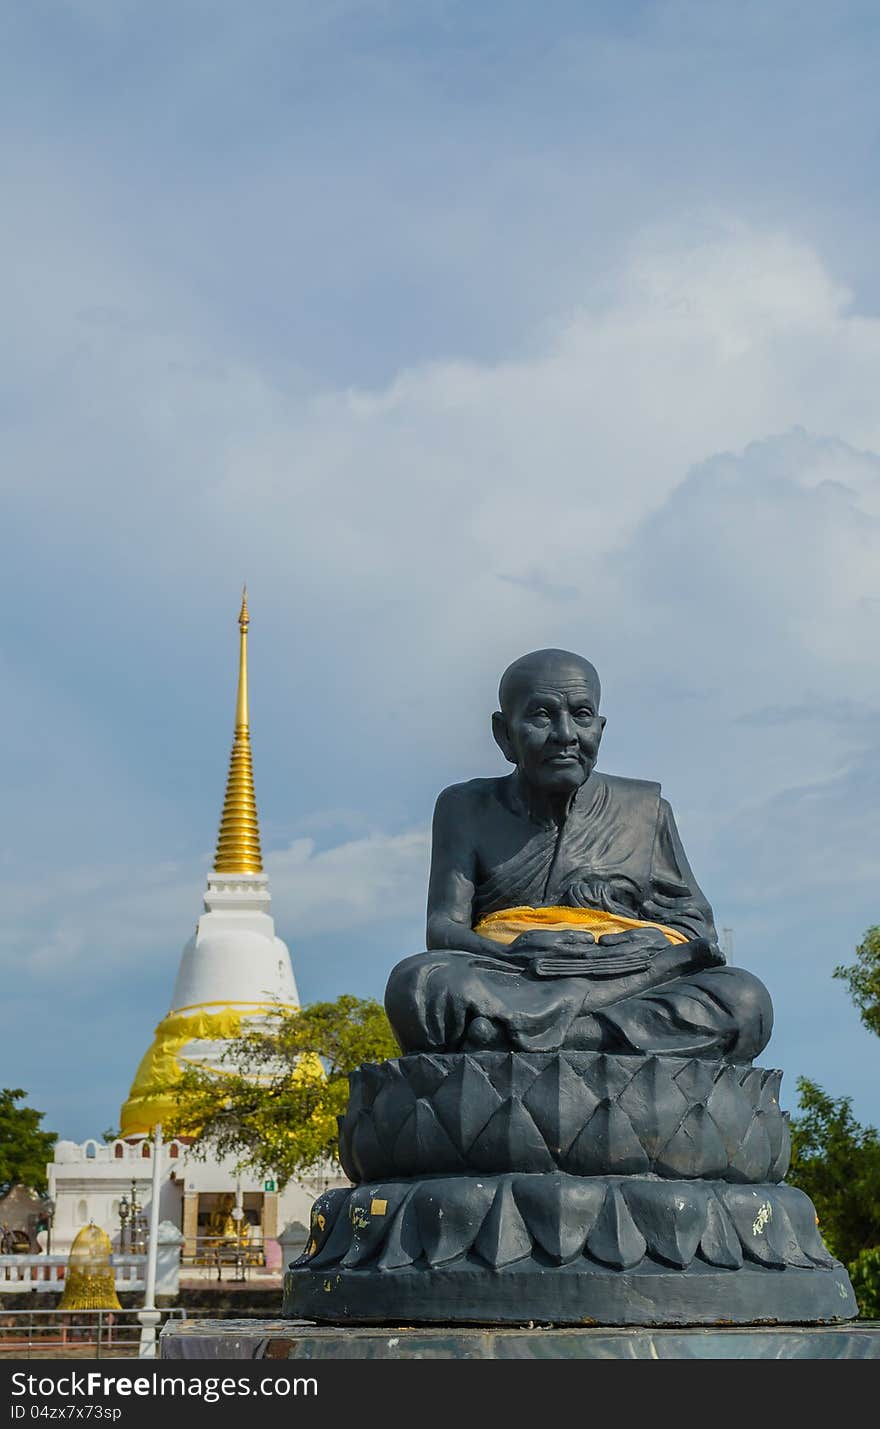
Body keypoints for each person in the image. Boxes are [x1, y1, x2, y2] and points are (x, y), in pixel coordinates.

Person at [385, 649, 772, 1061]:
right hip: (518, 975)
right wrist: (513, 952)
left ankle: (551, 1034)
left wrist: (639, 944)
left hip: (628, 979)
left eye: (582, 715)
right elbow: (443, 927)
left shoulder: (644, 809)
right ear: (503, 734)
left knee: (744, 999)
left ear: (600, 728)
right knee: (417, 985)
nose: (565, 734)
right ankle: (570, 1030)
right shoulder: (465, 807)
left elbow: (695, 928)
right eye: (541, 716)